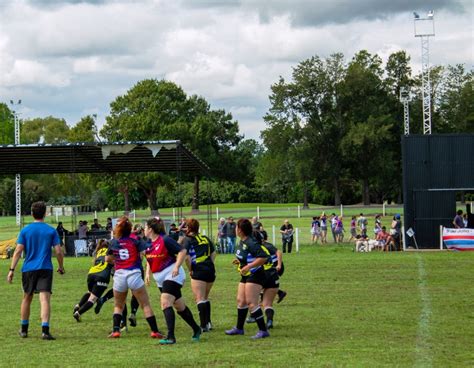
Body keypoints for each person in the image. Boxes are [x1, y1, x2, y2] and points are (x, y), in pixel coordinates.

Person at [7, 201, 65, 340]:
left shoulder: (25, 230)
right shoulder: (51, 230)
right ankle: (45, 331)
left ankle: (24, 330)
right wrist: (61, 266)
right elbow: (58, 251)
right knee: (44, 299)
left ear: (32, 213)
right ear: (45, 213)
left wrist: (11, 269)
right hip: (45, 268)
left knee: (27, 297)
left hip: (28, 269)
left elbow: (18, 250)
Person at [144, 217, 202, 345]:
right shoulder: (148, 243)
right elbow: (150, 259)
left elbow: (182, 251)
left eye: (145, 227)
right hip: (160, 278)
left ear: (151, 229)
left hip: (172, 275)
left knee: (165, 303)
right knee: (179, 306)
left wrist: (176, 267)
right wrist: (147, 273)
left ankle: (171, 337)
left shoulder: (165, 240)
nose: (144, 229)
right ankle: (196, 329)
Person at [106, 216, 163, 339]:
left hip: (120, 275)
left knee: (118, 305)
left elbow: (108, 259)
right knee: (145, 304)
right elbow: (147, 251)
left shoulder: (113, 242)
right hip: (134, 274)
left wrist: (117, 260)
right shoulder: (135, 240)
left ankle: (116, 330)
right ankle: (154, 331)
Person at [225, 218, 271, 339]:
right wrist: (240, 261)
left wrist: (249, 266)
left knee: (252, 303)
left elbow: (264, 257)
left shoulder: (251, 242)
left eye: (236, 228)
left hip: (255, 275)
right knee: (241, 301)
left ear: (240, 230)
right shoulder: (242, 241)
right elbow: (247, 255)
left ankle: (263, 330)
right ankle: (239, 328)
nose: (235, 229)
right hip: (245, 275)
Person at [183, 218, 216, 332]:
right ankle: (209, 322)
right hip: (210, 269)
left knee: (199, 298)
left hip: (199, 269)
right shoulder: (205, 238)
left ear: (189, 228)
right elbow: (213, 252)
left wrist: (190, 269)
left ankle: (203, 326)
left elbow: (187, 258)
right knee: (205, 297)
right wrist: (210, 263)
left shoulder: (188, 240)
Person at [73, 239, 113, 322]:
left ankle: (78, 305)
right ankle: (78, 313)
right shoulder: (110, 251)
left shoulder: (98, 252)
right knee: (93, 299)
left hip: (91, 274)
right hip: (102, 276)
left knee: (89, 292)